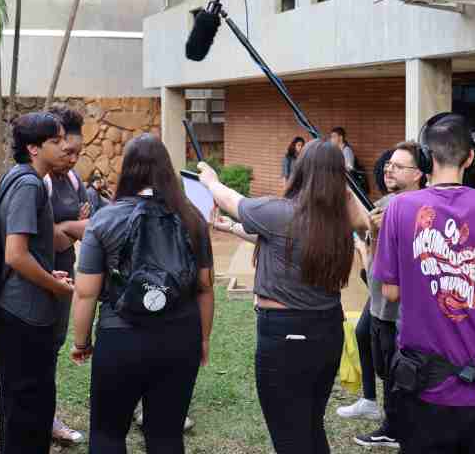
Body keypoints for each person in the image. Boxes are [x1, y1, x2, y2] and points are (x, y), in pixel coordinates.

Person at [200, 138, 369, 454]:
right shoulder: (336, 222)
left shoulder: (281, 212)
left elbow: (231, 199)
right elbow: (284, 240)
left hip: (286, 338)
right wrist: (232, 228)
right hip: (327, 332)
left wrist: (210, 180)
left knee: (290, 436)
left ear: (301, 170)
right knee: (310, 425)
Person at [372, 113, 475, 454]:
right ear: (470, 158)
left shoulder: (399, 208)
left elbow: (391, 292)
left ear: (427, 159)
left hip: (425, 387)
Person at [70, 133, 215, 454]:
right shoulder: (192, 219)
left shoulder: (104, 219)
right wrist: (203, 339)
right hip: (180, 339)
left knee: (108, 434)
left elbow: (85, 293)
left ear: (127, 169)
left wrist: (81, 342)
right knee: (167, 436)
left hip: (120, 338)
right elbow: (205, 287)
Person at [0, 112, 73, 454]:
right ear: (34, 148)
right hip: (24, 313)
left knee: (19, 404)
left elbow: (26, 252)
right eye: (55, 141)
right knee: (30, 406)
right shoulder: (28, 184)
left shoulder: (16, 177)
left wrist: (48, 273)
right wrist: (55, 287)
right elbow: (15, 254)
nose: (64, 146)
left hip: (14, 307)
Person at [348, 141, 424, 450]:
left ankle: (396, 429)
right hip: (380, 300)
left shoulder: (414, 209)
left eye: (398, 166)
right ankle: (388, 418)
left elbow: (389, 267)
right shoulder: (387, 204)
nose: (388, 170)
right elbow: (375, 265)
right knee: (384, 365)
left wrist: (374, 237)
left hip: (397, 307)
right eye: (389, 164)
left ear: (418, 174)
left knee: (397, 372)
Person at [46, 105, 91, 444]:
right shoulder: (39, 182)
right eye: (68, 152)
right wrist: (75, 226)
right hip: (38, 275)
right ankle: (45, 419)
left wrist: (66, 226)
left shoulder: (73, 180)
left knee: (53, 345)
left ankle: (45, 416)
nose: (74, 159)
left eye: (78, 152)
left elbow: (85, 226)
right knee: (37, 351)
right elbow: (47, 238)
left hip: (65, 274)